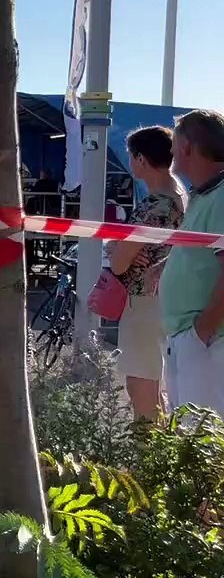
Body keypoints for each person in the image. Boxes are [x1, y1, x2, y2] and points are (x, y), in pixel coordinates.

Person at [104, 126, 185, 420]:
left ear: (140, 159)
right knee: (154, 380)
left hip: (142, 299)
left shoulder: (154, 205)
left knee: (140, 383)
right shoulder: (178, 195)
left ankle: (146, 455)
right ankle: (157, 449)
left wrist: (115, 248)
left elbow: (119, 263)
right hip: (166, 296)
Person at [160, 110, 224, 414]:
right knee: (188, 441)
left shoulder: (222, 195)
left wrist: (202, 330)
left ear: (186, 146)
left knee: (202, 441)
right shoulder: (206, 194)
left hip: (207, 342)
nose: (170, 150)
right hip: (195, 338)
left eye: (174, 142)